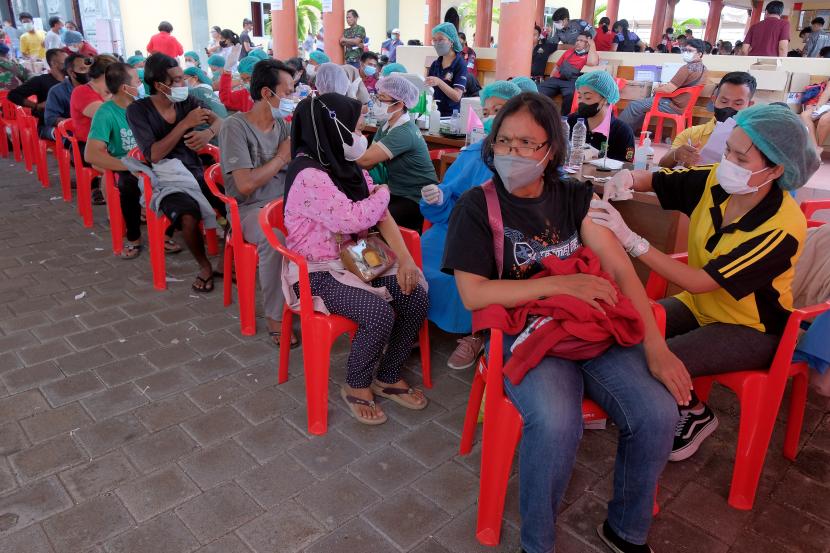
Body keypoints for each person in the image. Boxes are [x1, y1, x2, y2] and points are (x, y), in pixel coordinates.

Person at [443, 92, 680, 553]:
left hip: (590, 326)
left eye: (526, 143)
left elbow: (619, 270)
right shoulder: (477, 206)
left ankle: (625, 531)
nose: (512, 153)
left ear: (550, 149)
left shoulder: (574, 195)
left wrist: (655, 344)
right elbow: (475, 293)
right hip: (525, 332)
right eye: (504, 142)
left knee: (657, 412)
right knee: (556, 423)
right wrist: (558, 287)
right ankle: (537, 542)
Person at [591, 104, 819, 461]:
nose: (728, 162)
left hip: (751, 329)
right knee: (625, 329)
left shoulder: (781, 227)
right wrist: (627, 179)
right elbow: (658, 181)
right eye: (729, 149)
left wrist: (631, 240)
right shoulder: (717, 180)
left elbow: (700, 281)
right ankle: (665, 406)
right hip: (698, 307)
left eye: (741, 159)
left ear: (775, 169)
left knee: (659, 361)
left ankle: (692, 413)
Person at [283, 92, 430, 425]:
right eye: (356, 126)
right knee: (377, 312)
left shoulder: (345, 166)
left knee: (414, 295)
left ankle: (388, 374)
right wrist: (384, 193)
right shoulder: (309, 174)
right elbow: (353, 219)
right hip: (318, 270)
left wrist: (406, 260)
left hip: (359, 257)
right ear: (332, 129)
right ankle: (357, 384)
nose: (360, 134)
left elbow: (381, 216)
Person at [420, 80, 521, 370]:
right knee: (418, 260)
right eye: (487, 111)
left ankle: (478, 332)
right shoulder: (475, 153)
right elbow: (450, 197)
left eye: (499, 110)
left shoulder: (529, 157)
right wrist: (437, 199)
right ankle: (412, 318)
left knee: (481, 269)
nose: (492, 117)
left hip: (499, 236)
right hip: (456, 228)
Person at [126, 52, 224, 292]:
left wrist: (207, 134)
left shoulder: (187, 102)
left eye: (182, 78)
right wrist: (185, 125)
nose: (184, 84)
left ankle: (225, 262)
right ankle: (204, 266)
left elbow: (220, 121)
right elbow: (154, 154)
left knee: (233, 205)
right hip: (164, 177)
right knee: (188, 217)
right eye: (178, 80)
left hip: (195, 172)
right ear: (160, 85)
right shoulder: (138, 111)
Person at [219, 58, 298, 346]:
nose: (292, 98)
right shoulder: (234, 127)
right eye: (288, 92)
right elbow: (245, 184)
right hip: (250, 210)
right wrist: (280, 158)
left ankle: (310, 297)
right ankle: (275, 316)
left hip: (283, 204)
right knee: (275, 239)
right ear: (267, 93)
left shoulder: (282, 125)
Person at [356, 75, 437, 231]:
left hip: (416, 199)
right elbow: (370, 163)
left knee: (373, 220)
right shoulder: (386, 127)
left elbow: (364, 161)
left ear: (399, 104)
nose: (376, 103)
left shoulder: (404, 132)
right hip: (397, 193)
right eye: (377, 97)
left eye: (382, 99)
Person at [84, 62, 142, 258]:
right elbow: (91, 154)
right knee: (128, 185)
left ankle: (166, 232)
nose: (140, 82)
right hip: (124, 164)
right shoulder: (106, 112)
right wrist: (127, 165)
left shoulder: (143, 106)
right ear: (125, 88)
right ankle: (134, 237)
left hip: (151, 161)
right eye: (137, 80)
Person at [659, 72, 756, 168]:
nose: (729, 107)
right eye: (724, 101)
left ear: (750, 105)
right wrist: (676, 155)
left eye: (738, 104)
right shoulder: (692, 134)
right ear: (714, 100)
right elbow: (662, 166)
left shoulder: (755, 140)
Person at [619, 38, 707, 133]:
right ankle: (628, 133)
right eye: (685, 50)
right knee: (642, 107)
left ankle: (616, 133)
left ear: (700, 54)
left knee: (634, 105)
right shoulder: (704, 69)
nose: (686, 53)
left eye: (690, 51)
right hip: (685, 106)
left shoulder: (686, 68)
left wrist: (656, 89)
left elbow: (668, 90)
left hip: (673, 105)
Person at [70, 54, 118, 204]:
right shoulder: (81, 92)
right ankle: (118, 210)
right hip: (89, 147)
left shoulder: (112, 92)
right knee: (125, 171)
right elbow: (107, 115)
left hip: (112, 143)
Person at [568, 71, 635, 163]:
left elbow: (626, 167)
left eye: (588, 98)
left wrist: (598, 157)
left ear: (605, 99)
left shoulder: (622, 132)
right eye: (579, 97)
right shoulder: (571, 122)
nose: (581, 102)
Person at [537, 32, 598, 116]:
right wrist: (551, 79)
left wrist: (592, 45)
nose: (578, 42)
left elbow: (592, 62)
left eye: (581, 41)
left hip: (572, 82)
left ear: (588, 43)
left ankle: (564, 119)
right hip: (557, 79)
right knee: (538, 90)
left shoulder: (590, 55)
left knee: (570, 95)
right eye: (577, 40)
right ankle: (542, 115)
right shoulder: (568, 52)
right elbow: (557, 67)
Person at [8, 48, 66, 136]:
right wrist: (36, 106)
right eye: (65, 62)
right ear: (54, 63)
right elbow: (13, 95)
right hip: (48, 126)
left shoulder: (72, 81)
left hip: (69, 122)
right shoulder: (41, 81)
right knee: (67, 135)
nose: (69, 65)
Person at [425, 22, 468, 117]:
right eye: (434, 40)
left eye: (440, 40)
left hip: (451, 117)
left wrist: (439, 82)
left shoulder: (460, 64)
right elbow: (428, 91)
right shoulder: (435, 64)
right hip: (434, 113)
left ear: (451, 41)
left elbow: (457, 96)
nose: (437, 43)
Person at [44, 53, 90, 140]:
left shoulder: (97, 87)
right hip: (72, 133)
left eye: (89, 69)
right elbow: (50, 119)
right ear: (71, 72)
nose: (88, 72)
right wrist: (75, 123)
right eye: (83, 69)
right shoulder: (57, 91)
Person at [219, 45, 255, 112]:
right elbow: (226, 99)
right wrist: (227, 70)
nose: (246, 82)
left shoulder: (270, 91)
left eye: (249, 78)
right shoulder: (245, 94)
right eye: (243, 79)